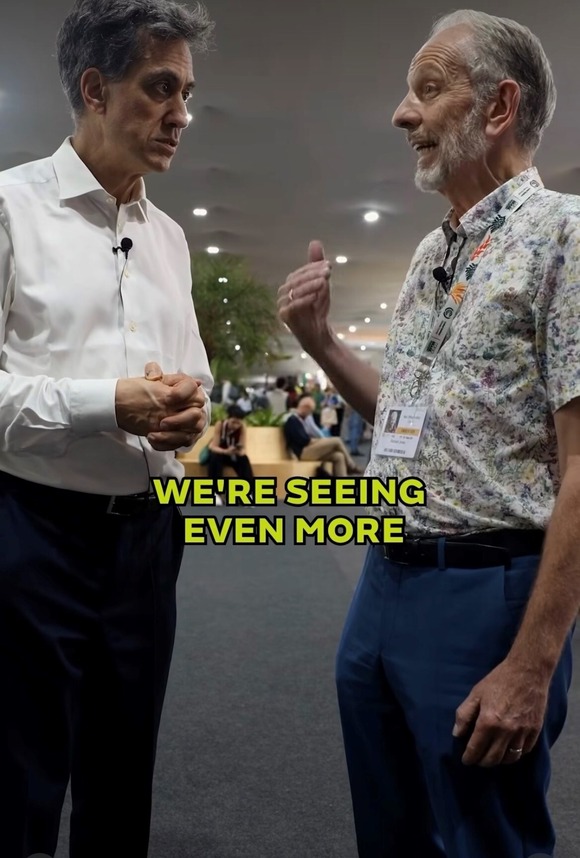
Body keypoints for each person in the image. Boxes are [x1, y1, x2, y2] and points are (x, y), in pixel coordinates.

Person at [278, 10, 580, 858]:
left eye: (427, 89)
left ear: (498, 106)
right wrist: (325, 344)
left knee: (483, 835)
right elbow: (407, 422)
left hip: (489, 590)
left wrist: (532, 665)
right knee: (391, 832)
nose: (402, 114)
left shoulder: (566, 237)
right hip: (383, 579)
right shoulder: (429, 254)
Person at [0, 1, 214, 856]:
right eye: (160, 89)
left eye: (187, 93)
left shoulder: (168, 238)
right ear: (95, 88)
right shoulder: (12, 208)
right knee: (18, 783)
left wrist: (189, 414)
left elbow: (193, 371)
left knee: (123, 786)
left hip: (146, 543)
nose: (182, 116)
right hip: (29, 536)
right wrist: (106, 404)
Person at [284, 395, 363, 476]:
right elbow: (304, 440)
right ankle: (351, 465)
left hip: (307, 450)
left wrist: (319, 440)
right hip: (302, 453)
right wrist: (318, 441)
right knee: (336, 440)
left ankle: (343, 483)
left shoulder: (300, 420)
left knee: (339, 456)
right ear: (305, 407)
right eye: (310, 411)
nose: (309, 414)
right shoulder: (293, 420)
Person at [206, 404, 254, 482]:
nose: (236, 426)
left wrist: (238, 451)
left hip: (232, 454)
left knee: (244, 459)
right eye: (233, 422)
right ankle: (215, 489)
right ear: (228, 418)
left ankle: (249, 488)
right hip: (220, 453)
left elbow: (243, 449)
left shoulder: (242, 427)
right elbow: (214, 447)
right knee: (215, 458)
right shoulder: (220, 425)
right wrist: (225, 451)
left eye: (238, 423)